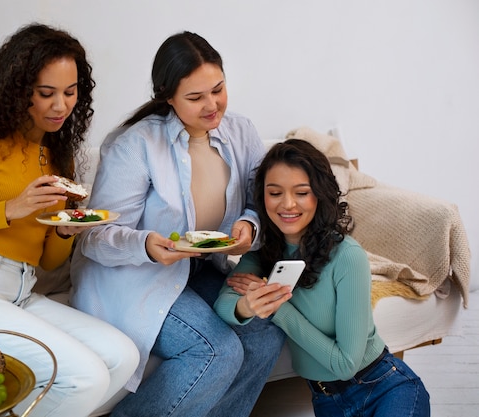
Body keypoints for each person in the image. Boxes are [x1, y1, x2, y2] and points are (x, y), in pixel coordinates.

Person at [0, 23, 139, 417]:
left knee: (123, 356)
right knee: (85, 376)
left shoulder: (57, 154)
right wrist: (10, 209)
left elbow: (49, 261)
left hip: (20, 291)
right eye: (46, 93)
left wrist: (66, 230)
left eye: (70, 93)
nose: (60, 106)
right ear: (19, 90)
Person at [70, 31, 290, 417]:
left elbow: (260, 198)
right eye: (196, 97)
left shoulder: (241, 132)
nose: (212, 105)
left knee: (263, 333)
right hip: (133, 275)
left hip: (201, 267)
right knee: (216, 351)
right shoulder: (134, 145)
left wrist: (249, 225)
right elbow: (93, 237)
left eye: (218, 89)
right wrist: (146, 245)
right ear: (167, 96)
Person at [214, 139, 431, 417]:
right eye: (275, 192)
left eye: (301, 192)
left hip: (384, 388)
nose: (287, 204)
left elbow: (345, 365)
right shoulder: (264, 254)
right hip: (327, 402)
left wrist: (278, 309)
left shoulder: (347, 257)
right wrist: (248, 306)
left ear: (319, 194)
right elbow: (223, 304)